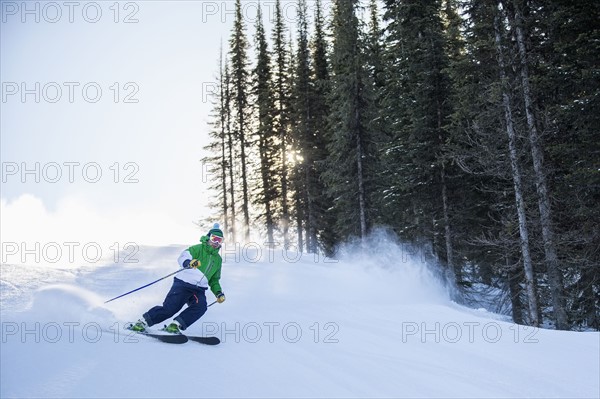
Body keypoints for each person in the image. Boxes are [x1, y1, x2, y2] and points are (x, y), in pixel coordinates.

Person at [131, 224, 226, 334]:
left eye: (219, 240)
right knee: (170, 309)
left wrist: (218, 293)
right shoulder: (198, 248)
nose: (216, 242)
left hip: (199, 289)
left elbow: (214, 280)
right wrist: (188, 262)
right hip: (183, 284)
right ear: (209, 237)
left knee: (201, 306)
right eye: (214, 238)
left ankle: (175, 325)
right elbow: (183, 256)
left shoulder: (218, 260)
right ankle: (142, 322)